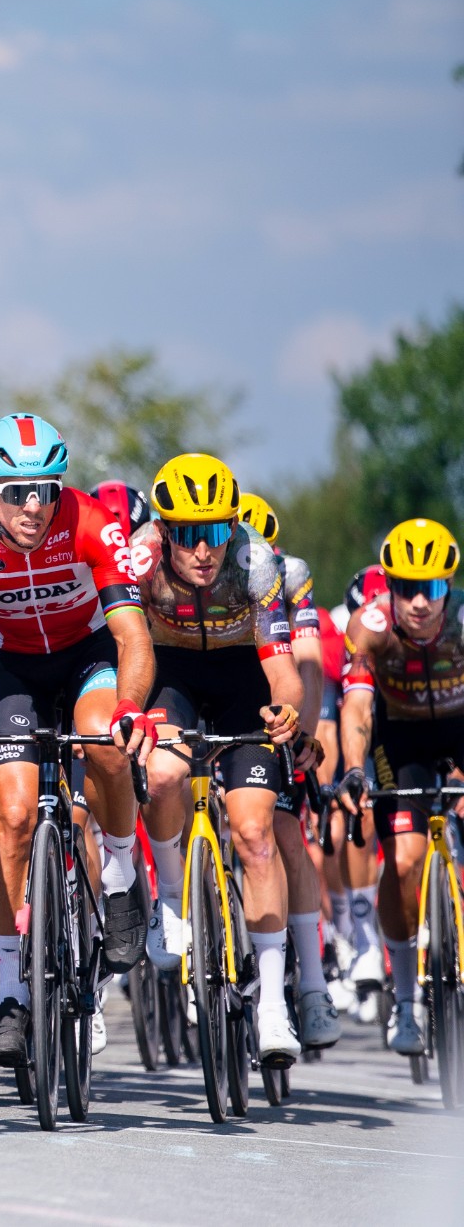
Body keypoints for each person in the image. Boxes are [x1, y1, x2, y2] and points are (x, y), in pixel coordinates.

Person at [0, 414, 156, 1068]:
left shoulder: (88, 523)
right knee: (16, 814)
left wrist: (133, 707)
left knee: (106, 742)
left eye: (45, 490)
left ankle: (117, 878)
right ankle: (11, 992)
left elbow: (133, 637)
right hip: (11, 667)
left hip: (88, 656)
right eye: (18, 491)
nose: (33, 505)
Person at [132, 453, 309, 1061]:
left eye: (214, 532)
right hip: (172, 677)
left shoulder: (257, 563)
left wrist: (286, 710)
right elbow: (125, 644)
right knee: (162, 775)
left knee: (256, 833)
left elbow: (281, 667)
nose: (203, 550)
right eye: (187, 533)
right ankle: (172, 902)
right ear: (163, 531)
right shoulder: (138, 560)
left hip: (242, 683)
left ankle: (273, 1007)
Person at [339, 517, 463, 1055]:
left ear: (448, 589)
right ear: (388, 588)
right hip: (399, 741)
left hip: (459, 730)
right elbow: (358, 705)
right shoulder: (370, 628)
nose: (418, 602)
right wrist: (353, 768)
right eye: (407, 589)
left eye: (431, 589)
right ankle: (409, 999)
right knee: (406, 861)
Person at [236, 492, 341, 1048]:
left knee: (281, 833)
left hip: (277, 699)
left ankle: (314, 985)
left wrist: (306, 734)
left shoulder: (289, 576)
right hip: (218, 690)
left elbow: (308, 663)